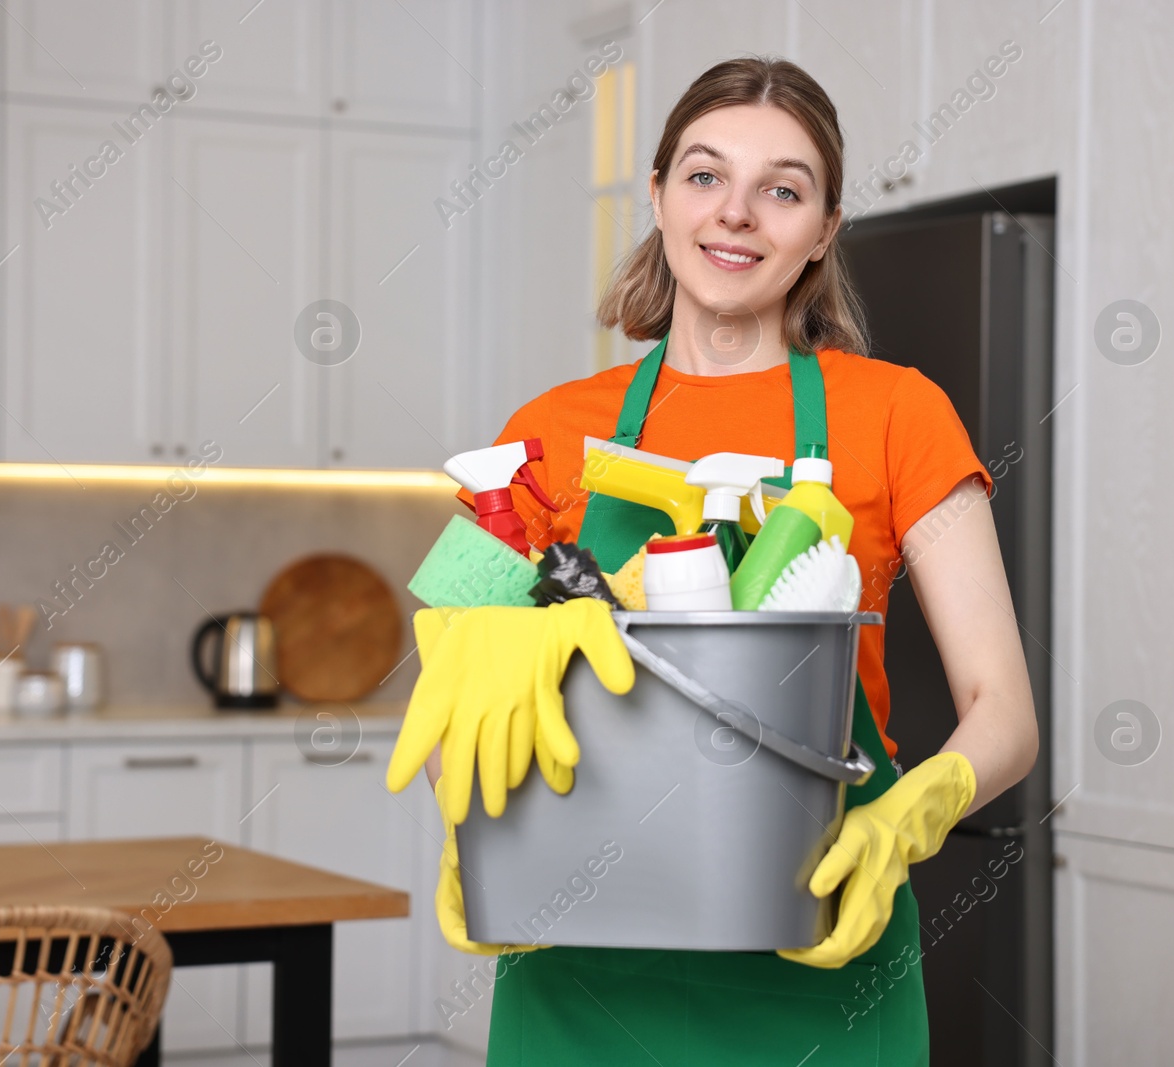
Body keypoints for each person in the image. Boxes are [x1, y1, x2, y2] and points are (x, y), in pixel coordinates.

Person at [419, 54, 1038, 1064]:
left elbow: (1003, 711)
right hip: (579, 951)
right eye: (705, 176)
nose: (736, 214)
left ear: (824, 228)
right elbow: (451, 682)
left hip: (820, 939)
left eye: (781, 189)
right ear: (658, 195)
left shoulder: (896, 413)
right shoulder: (545, 429)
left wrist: (911, 812)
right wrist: (479, 833)